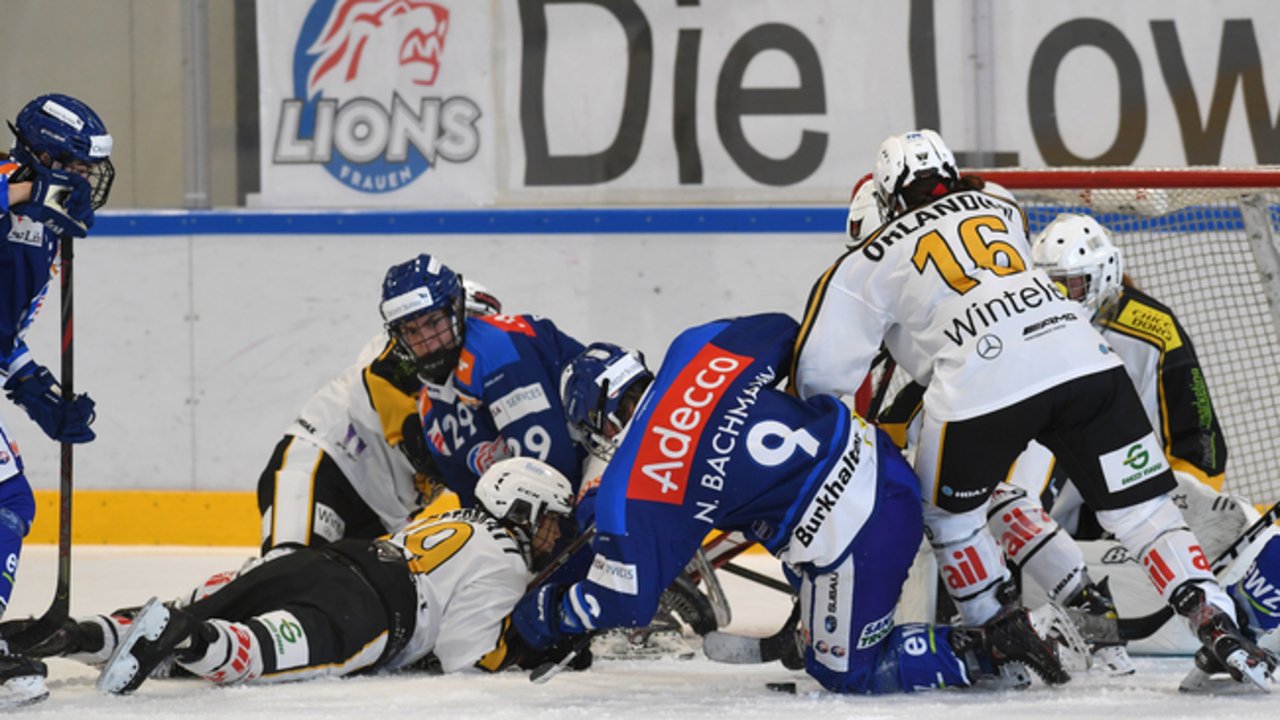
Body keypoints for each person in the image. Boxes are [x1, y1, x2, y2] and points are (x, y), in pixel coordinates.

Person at [790, 128, 1275, 688]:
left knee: (951, 516)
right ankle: (1214, 617)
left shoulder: (866, 260)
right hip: (1085, 360)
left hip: (982, 384)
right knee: (1145, 512)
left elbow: (818, 377)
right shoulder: (1001, 203)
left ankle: (1001, 630)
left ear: (882, 198)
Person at [512, 313, 1075, 694]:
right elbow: (788, 331)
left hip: (857, 531)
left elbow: (625, 603)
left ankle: (992, 649)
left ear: (596, 420)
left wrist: (546, 617)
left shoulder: (634, 482)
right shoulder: (693, 348)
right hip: (876, 454)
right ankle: (812, 616)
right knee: (763, 506)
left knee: (846, 673)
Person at [83, 456, 574, 694]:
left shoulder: (450, 511)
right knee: (246, 652)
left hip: (327, 560)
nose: (554, 533)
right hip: (369, 611)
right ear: (523, 510)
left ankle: (76, 635)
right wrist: (529, 643)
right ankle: (187, 636)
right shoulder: (508, 558)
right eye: (550, 519)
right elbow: (465, 659)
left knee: (196, 614)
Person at [0, 93, 113, 706]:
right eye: (74, 167)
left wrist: (34, 388)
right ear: (42, 155)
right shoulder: (10, 185)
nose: (85, 181)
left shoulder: (43, 226)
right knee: (6, 497)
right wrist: (24, 195)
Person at [256, 275, 502, 555]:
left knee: (334, 595)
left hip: (385, 514)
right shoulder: (399, 354)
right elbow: (384, 385)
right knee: (288, 570)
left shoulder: (469, 385)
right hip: (328, 465)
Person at [381, 254, 587, 507]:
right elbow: (472, 498)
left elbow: (551, 464)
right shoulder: (429, 408)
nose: (427, 342)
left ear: (456, 310)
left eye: (433, 323)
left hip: (607, 459)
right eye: (412, 331)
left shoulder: (496, 349)